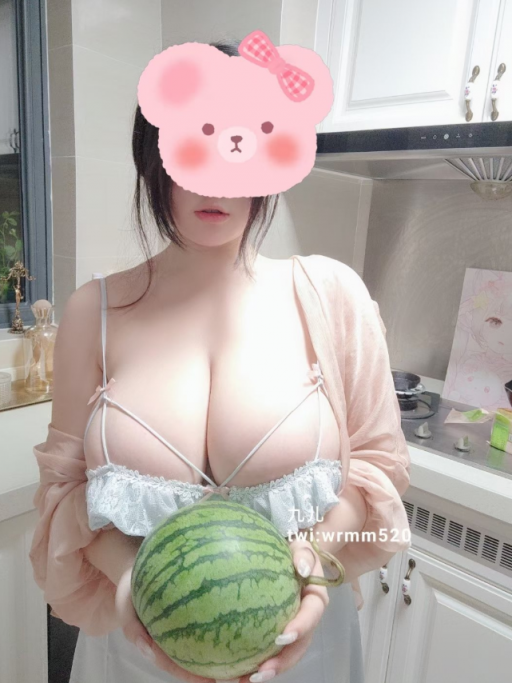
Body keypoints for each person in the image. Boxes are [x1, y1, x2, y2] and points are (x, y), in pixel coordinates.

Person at [29, 39, 411, 683]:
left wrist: (315, 566)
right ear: (153, 155)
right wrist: (133, 583)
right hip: (139, 651)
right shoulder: (93, 313)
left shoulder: (331, 295)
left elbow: (377, 471)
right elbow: (64, 496)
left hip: (303, 646)